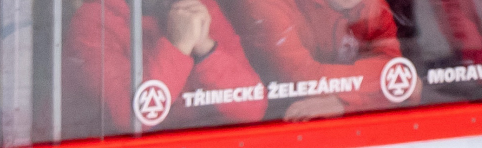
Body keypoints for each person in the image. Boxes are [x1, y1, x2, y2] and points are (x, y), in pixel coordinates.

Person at [62, 0, 264, 136]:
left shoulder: (198, 8)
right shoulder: (93, 20)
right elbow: (133, 119)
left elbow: (252, 108)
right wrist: (179, 46)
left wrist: (204, 48)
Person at [234, 0, 418, 120]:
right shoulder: (268, 5)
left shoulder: (369, 4)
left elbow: (402, 84)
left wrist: (344, 104)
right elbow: (303, 78)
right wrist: (370, 88)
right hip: (279, 129)